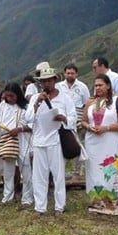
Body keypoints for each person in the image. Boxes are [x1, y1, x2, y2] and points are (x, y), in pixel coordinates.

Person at [25, 66, 76, 216]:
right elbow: (28, 118)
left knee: (58, 174)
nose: (46, 84)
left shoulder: (65, 98)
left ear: (54, 80)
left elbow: (73, 117)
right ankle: (40, 207)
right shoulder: (35, 98)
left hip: (56, 139)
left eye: (49, 80)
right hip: (40, 139)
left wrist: (64, 118)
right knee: (39, 176)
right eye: (43, 81)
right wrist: (37, 104)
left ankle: (59, 206)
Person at [81, 74, 118, 215]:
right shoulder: (90, 102)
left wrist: (106, 128)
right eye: (95, 85)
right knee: (94, 171)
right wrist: (90, 127)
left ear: (108, 86)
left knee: (111, 170)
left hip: (109, 140)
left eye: (100, 85)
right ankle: (97, 203)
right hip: (93, 141)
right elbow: (83, 120)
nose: (97, 88)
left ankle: (115, 204)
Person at [0, 83, 33, 206]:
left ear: (17, 95)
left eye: (12, 96)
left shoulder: (26, 107)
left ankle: (27, 198)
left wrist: (19, 129)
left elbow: (33, 124)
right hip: (6, 140)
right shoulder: (3, 105)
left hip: (22, 140)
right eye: (7, 96)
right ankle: (7, 197)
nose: (10, 99)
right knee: (8, 171)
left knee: (26, 170)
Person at [57, 63, 90, 180]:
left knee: (78, 145)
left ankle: (76, 173)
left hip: (78, 117)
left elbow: (87, 104)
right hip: (63, 118)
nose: (70, 75)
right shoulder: (59, 86)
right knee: (61, 145)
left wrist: (84, 120)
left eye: (72, 73)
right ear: (64, 73)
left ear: (76, 74)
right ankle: (60, 173)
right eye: (68, 73)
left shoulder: (82, 87)